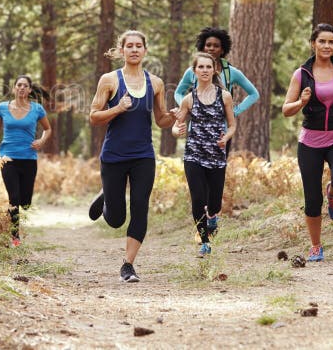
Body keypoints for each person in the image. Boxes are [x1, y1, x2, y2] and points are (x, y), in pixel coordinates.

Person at [87, 30, 176, 283]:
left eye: (139, 46)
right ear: (122, 50)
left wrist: (175, 115)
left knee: (140, 207)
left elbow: (161, 121)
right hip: (114, 155)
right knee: (116, 219)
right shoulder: (109, 80)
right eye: (130, 46)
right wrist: (117, 108)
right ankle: (107, 198)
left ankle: (128, 265)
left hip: (143, 155)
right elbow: (94, 116)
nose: (135, 50)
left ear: (145, 51)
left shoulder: (155, 83)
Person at [282, 23, 333, 262]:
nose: (326, 46)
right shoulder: (301, 74)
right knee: (312, 199)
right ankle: (316, 246)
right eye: (322, 41)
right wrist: (301, 102)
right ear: (313, 44)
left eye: (331, 42)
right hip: (310, 141)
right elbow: (286, 109)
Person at [172, 52, 236, 257]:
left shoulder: (224, 96)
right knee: (198, 199)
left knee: (214, 203)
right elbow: (176, 127)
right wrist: (178, 130)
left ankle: (213, 217)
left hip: (216, 156)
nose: (205, 70)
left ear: (214, 70)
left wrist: (225, 139)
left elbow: (233, 126)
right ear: (194, 71)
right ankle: (204, 242)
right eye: (201, 67)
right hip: (194, 155)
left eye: (209, 67)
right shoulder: (188, 99)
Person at [0, 75, 52, 247]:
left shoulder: (37, 109)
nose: (22, 88)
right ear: (14, 88)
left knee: (25, 202)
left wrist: (42, 141)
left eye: (25, 86)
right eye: (19, 85)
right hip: (8, 157)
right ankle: (15, 238)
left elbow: (48, 129)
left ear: (29, 90)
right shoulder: (3, 107)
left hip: (29, 158)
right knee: (14, 197)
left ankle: (23, 207)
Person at [173, 27, 259, 120]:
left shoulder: (231, 72)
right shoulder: (192, 71)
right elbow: (178, 93)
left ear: (222, 50)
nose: (211, 48)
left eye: (216, 46)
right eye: (208, 45)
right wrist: (185, 107)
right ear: (202, 48)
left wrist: (234, 112)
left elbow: (254, 94)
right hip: (196, 129)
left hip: (222, 131)